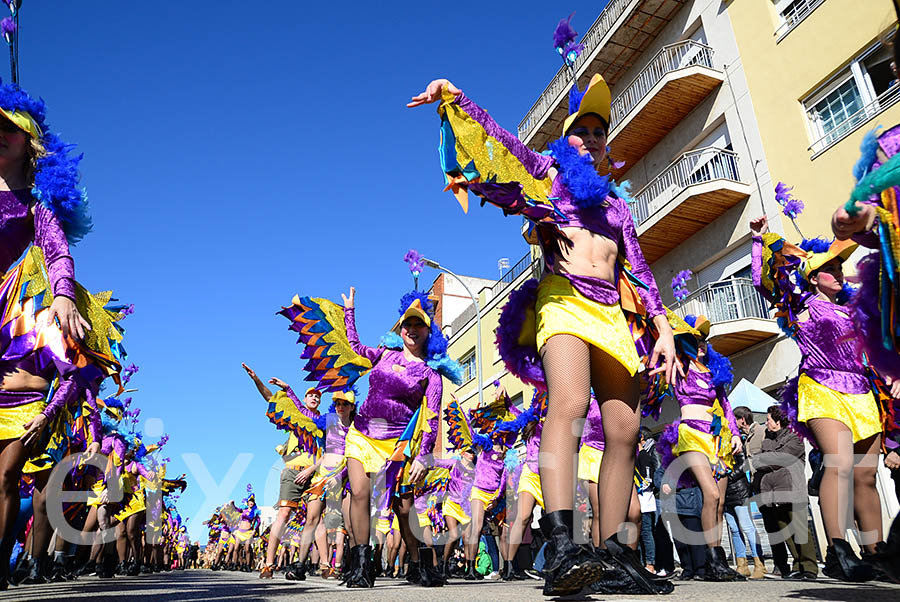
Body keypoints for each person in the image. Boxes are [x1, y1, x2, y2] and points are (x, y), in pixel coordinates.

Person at [408, 63, 677, 597]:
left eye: (602, 134)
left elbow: (640, 272)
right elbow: (504, 147)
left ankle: (614, 554)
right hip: (564, 302)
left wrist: (664, 331)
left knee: (623, 431)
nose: (595, 140)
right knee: (571, 404)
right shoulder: (548, 179)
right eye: (584, 131)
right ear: (566, 139)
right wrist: (459, 102)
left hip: (614, 317)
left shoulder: (618, 208)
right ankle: (563, 546)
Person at [752, 213, 888, 581]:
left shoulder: (854, 308)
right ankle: (838, 548)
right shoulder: (801, 305)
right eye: (829, 268)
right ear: (813, 278)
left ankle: (877, 552)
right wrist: (760, 241)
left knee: (865, 475)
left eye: (840, 266)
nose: (839, 272)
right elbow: (764, 282)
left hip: (861, 391)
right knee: (840, 463)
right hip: (822, 387)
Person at [654, 314, 743, 581]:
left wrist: (735, 434)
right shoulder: (679, 366)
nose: (700, 344)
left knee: (720, 502)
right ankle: (711, 561)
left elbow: (726, 407)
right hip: (691, 433)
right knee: (711, 495)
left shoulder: (713, 374)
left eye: (702, 339)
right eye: (694, 340)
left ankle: (716, 560)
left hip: (718, 437)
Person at [242, 364, 320, 579]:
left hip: (316, 473)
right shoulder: (296, 416)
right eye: (310, 395)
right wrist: (257, 380)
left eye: (317, 396)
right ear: (304, 400)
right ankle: (268, 564)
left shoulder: (324, 422)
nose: (314, 398)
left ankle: (325, 566)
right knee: (284, 514)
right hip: (293, 471)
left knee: (318, 519)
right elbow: (270, 399)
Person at [753, 405, 817, 580]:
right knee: (786, 531)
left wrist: (766, 459)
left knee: (800, 528)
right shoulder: (768, 438)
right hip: (774, 493)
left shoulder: (794, 437)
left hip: (792, 489)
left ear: (778, 421)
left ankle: (809, 567)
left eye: (768, 419)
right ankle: (797, 564)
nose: (766, 423)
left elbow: (781, 459)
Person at [722, 450, 765, 579]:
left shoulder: (733, 443)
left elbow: (744, 463)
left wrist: (727, 477)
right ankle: (742, 564)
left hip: (739, 491)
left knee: (747, 527)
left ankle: (759, 563)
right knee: (734, 529)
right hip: (724, 493)